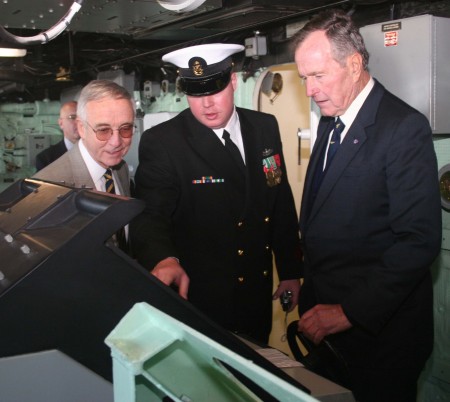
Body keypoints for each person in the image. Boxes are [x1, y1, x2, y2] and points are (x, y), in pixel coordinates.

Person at [293, 9, 441, 402]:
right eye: (304, 78)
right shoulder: (331, 119)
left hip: (378, 337)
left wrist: (347, 312)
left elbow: (418, 241)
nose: (310, 90)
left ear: (354, 64)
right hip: (328, 331)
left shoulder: (402, 128)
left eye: (318, 76)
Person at [131, 43, 301, 344]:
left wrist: (290, 270)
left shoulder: (264, 127)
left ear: (233, 81)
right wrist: (163, 258)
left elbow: (279, 200)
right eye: (196, 93)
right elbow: (151, 213)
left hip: (255, 294)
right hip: (203, 299)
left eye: (215, 90)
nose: (207, 103)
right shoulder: (164, 142)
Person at [33, 80, 135, 251]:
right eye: (103, 130)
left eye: (125, 129)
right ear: (81, 128)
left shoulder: (120, 169)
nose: (116, 142)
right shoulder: (48, 188)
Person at [35, 101, 79, 171]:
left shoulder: (98, 152)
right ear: (61, 123)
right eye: (72, 117)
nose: (78, 122)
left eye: (82, 117)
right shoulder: (46, 159)